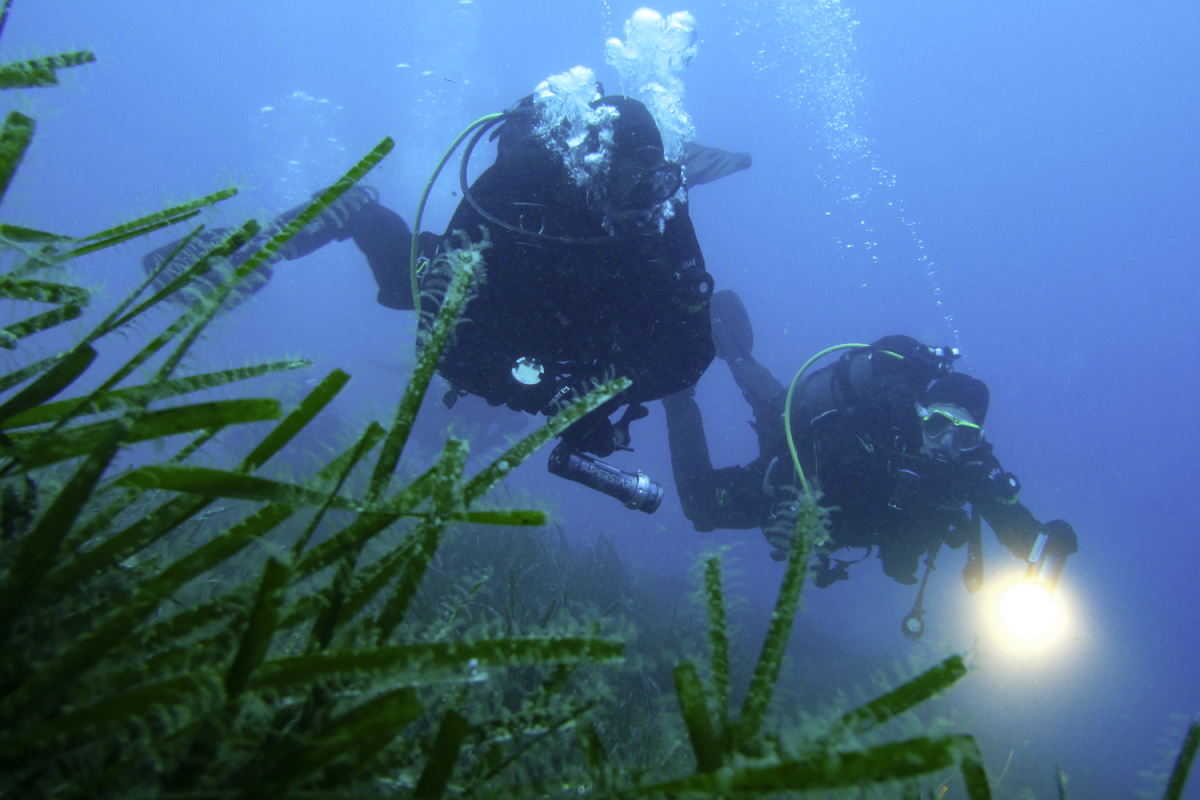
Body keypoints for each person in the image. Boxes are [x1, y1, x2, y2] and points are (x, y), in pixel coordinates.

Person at [143, 93, 751, 510]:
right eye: (631, 179)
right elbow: (445, 346)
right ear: (592, 168)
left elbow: (689, 351)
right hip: (492, 290)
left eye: (657, 179)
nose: (647, 199)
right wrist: (547, 392)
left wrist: (602, 393)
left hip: (582, 334)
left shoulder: (661, 211)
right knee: (406, 281)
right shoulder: (517, 187)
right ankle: (324, 220)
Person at [663, 290, 1078, 601]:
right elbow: (808, 451)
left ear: (975, 441)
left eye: (964, 435)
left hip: (845, 526)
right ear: (920, 414)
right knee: (708, 498)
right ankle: (680, 387)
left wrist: (1049, 542)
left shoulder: (969, 469)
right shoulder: (878, 426)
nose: (946, 442)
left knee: (772, 404)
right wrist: (786, 509)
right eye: (937, 425)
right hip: (797, 456)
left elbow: (1016, 528)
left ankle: (723, 364)